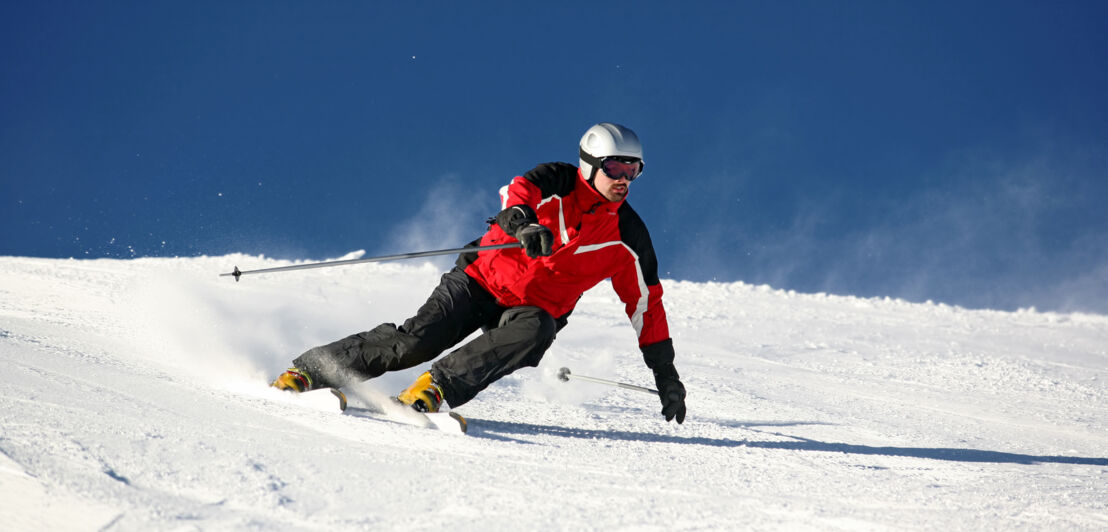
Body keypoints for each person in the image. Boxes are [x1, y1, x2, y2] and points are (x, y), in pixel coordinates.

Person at [272, 123, 686, 423]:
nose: (624, 179)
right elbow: (517, 193)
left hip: (532, 308)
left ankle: (435, 388)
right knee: (415, 342)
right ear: (590, 165)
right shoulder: (556, 180)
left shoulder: (628, 236)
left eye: (634, 170)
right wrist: (521, 223)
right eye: (615, 167)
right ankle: (311, 370)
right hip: (481, 279)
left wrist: (665, 374)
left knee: (538, 328)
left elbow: (646, 306)